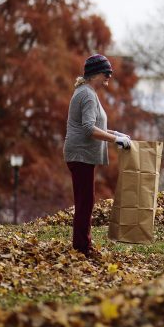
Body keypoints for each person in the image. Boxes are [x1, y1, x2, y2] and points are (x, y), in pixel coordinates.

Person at [64, 53, 132, 258]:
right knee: (85, 202)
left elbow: (95, 126)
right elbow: (88, 129)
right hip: (80, 155)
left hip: (82, 156)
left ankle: (82, 244)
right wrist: (115, 141)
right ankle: (81, 247)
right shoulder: (86, 94)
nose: (109, 77)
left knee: (86, 201)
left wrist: (115, 133)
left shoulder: (87, 92)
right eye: (106, 73)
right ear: (95, 73)